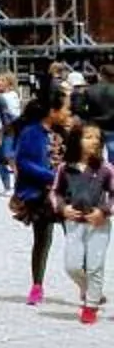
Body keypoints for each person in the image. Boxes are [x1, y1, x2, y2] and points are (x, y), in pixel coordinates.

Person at [52, 121, 112, 325]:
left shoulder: (106, 169)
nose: (94, 141)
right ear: (76, 141)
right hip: (74, 223)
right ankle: (88, 288)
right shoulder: (64, 169)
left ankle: (91, 305)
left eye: (97, 138)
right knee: (72, 265)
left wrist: (104, 211)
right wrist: (62, 209)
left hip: (98, 224)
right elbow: (56, 192)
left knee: (95, 266)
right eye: (88, 137)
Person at [14, 94, 68, 307]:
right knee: (42, 240)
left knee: (76, 238)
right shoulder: (31, 133)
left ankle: (87, 285)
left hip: (68, 193)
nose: (67, 113)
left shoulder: (64, 132)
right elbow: (24, 162)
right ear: (52, 112)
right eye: (64, 109)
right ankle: (37, 285)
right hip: (41, 194)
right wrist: (51, 176)